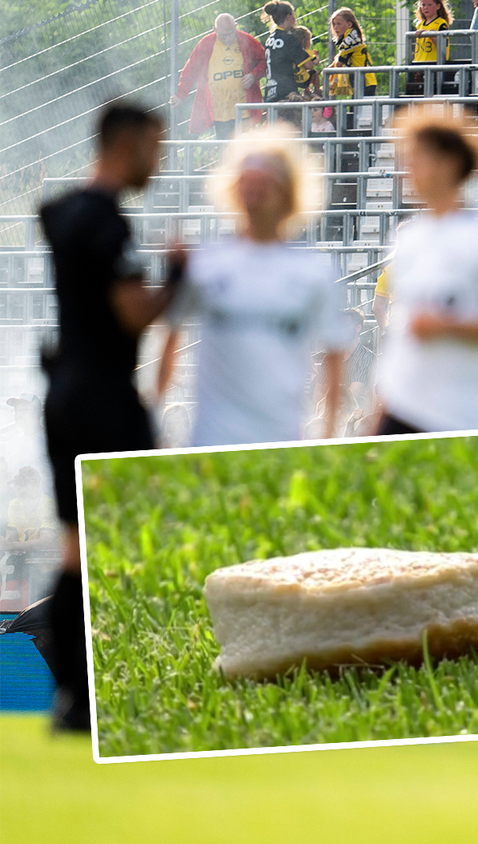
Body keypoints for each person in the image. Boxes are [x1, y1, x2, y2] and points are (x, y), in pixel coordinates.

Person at [39, 105, 178, 730]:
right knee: (126, 541)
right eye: (157, 144)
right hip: (104, 397)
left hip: (62, 392)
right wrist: (178, 275)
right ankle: (107, 690)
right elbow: (133, 314)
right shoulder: (107, 221)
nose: (162, 157)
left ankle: (71, 698)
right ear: (129, 144)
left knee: (76, 547)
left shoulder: (66, 211)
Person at [157, 127, 353, 446]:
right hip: (210, 441)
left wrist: (328, 437)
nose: (254, 193)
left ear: (288, 193)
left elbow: (334, 356)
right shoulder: (204, 263)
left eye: (264, 184)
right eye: (247, 183)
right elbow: (171, 335)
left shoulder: (315, 272)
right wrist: (155, 415)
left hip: (281, 440)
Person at [374, 111, 478, 434]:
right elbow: (404, 338)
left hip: (454, 413)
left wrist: (446, 326)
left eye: (416, 160)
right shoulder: (407, 238)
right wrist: (377, 412)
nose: (406, 171)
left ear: (447, 164)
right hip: (399, 405)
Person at [172, 13, 266, 139]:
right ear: (215, 30)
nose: (227, 38)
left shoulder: (247, 40)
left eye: (230, 33)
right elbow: (190, 69)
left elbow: (265, 60)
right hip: (219, 111)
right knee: (225, 149)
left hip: (243, 108)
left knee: (243, 148)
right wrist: (180, 94)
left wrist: (254, 76)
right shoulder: (206, 43)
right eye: (223, 35)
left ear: (236, 26)